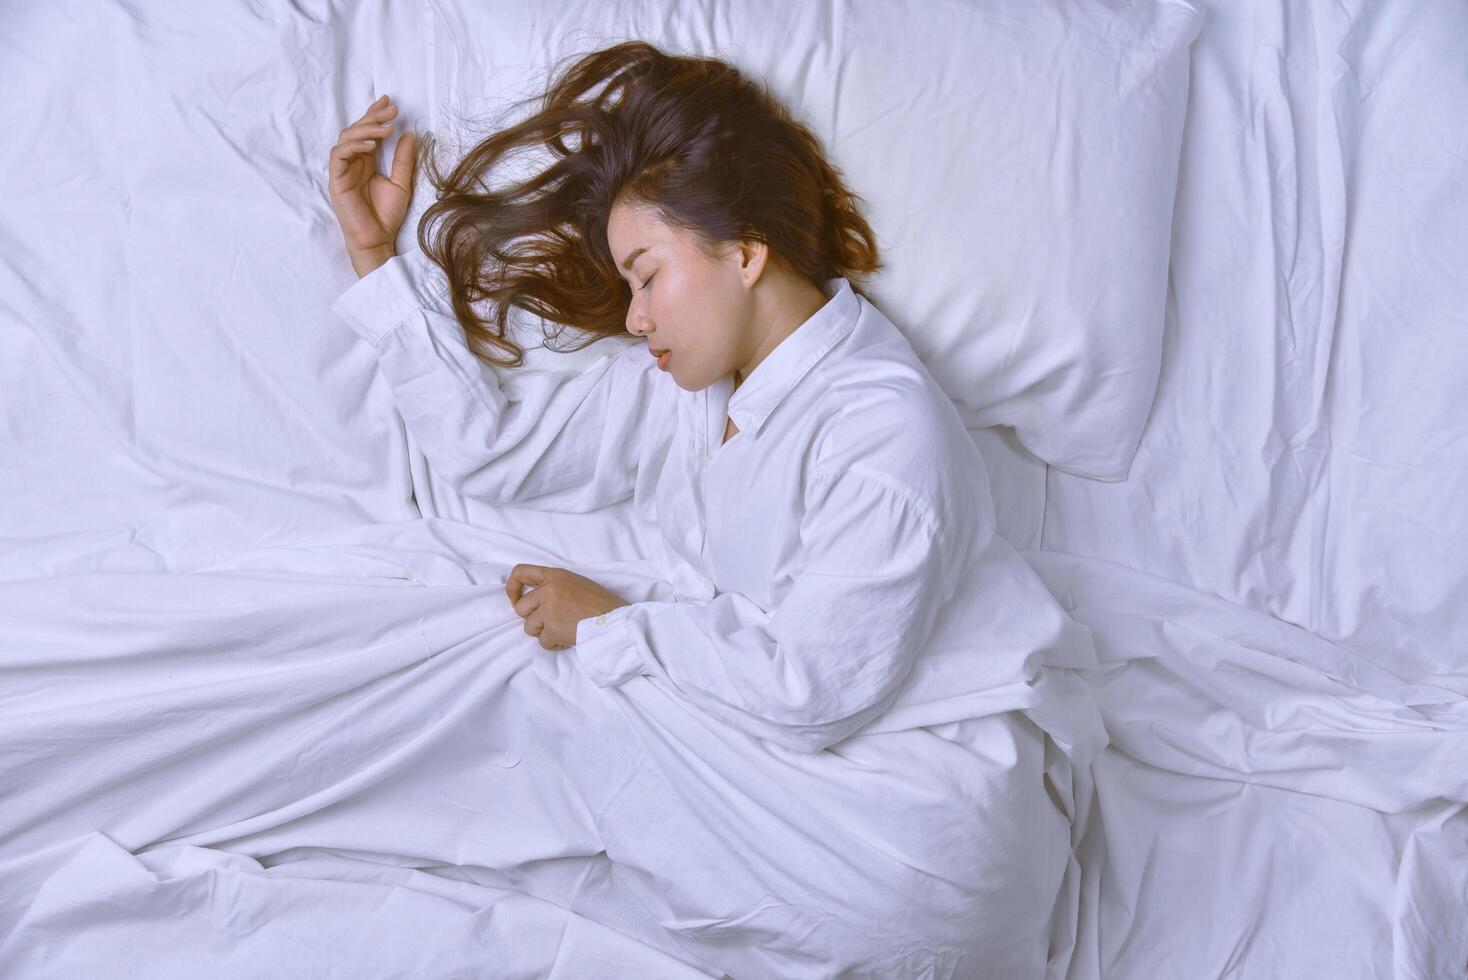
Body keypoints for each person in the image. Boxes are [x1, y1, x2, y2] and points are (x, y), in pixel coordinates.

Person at [326, 40, 1107, 978]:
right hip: (809, 792)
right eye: (628, 287)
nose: (635, 317)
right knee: (485, 654)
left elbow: (815, 690)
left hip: (921, 842)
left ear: (743, 250)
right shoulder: (693, 390)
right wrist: (374, 255)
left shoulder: (882, 425)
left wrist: (613, 625)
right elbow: (494, 452)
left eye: (647, 275)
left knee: (526, 678)